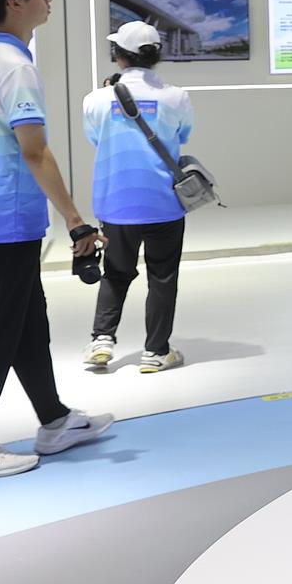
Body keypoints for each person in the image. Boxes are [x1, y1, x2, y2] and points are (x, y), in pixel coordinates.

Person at [0, 0, 113, 480]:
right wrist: (75, 220)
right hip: (4, 219)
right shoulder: (15, 68)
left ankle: (54, 420)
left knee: (28, 323)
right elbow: (34, 150)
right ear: (14, 2)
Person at [81, 21, 195, 372]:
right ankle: (156, 352)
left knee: (115, 272)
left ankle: (102, 340)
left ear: (119, 55)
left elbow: (95, 139)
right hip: (163, 202)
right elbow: (183, 136)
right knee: (162, 277)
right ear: (156, 55)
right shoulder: (176, 96)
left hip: (115, 203)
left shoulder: (96, 99)